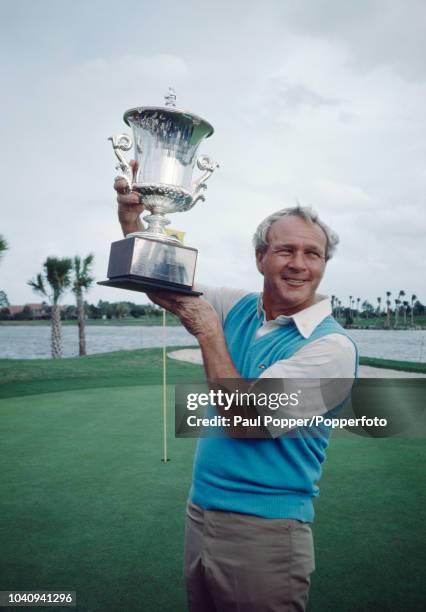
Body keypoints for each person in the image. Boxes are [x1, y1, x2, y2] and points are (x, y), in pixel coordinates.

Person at [114, 175, 358, 611]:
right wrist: (135, 224)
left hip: (266, 530)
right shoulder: (241, 304)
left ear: (323, 265)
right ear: (261, 257)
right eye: (285, 250)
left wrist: (208, 330)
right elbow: (164, 282)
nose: (299, 264)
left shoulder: (331, 347)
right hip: (201, 512)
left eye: (313, 254)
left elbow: (245, 418)